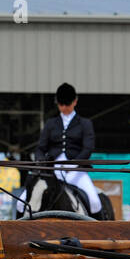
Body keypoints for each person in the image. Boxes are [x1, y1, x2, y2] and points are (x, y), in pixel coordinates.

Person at [35, 83, 99, 214]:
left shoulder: (85, 123)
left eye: (67, 104)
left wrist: (73, 165)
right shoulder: (50, 123)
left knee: (95, 202)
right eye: (60, 104)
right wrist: (41, 163)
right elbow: (40, 148)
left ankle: (98, 233)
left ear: (75, 101)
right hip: (51, 171)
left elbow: (88, 148)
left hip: (76, 171)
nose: (63, 107)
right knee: (22, 202)